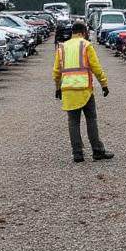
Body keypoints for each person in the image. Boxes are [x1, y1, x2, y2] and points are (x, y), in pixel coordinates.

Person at [53, 22, 113, 163]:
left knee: (73, 122)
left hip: (68, 90)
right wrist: (104, 84)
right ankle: (98, 151)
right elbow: (96, 67)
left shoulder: (61, 47)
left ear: (73, 32)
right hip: (85, 89)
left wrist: (57, 87)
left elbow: (56, 72)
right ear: (84, 32)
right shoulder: (86, 45)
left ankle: (77, 154)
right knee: (91, 120)